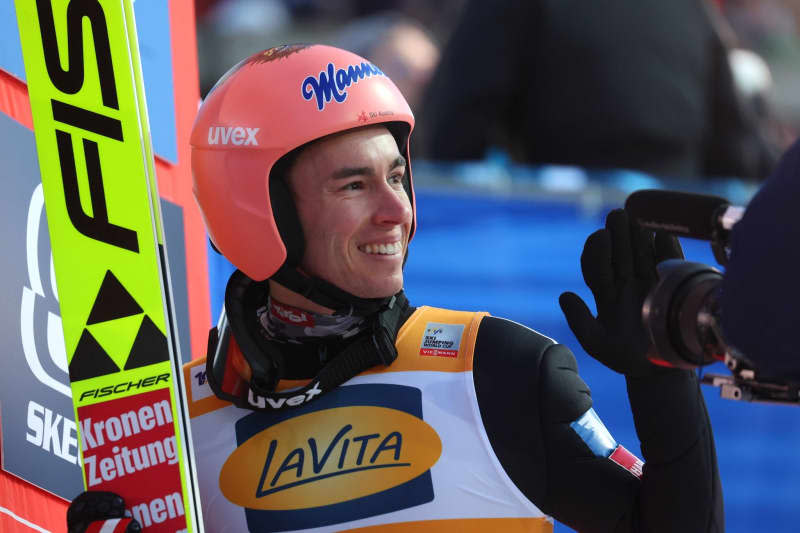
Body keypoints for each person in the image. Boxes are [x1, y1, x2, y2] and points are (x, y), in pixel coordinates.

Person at [69, 44, 722, 532]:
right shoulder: (165, 432)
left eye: (396, 176)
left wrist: (663, 383)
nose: (396, 211)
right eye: (353, 184)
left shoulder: (497, 368)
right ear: (254, 208)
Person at [414, 0, 779, 181]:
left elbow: (452, 132)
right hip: (672, 272)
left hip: (557, 263)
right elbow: (739, 156)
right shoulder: (688, 8)